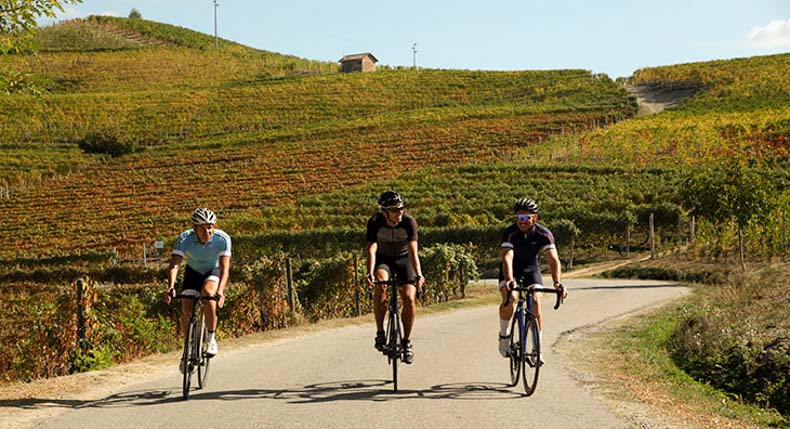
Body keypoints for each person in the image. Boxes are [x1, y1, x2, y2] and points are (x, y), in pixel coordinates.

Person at [497, 198, 568, 360]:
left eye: (525, 218)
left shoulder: (544, 234)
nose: (521, 222)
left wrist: (557, 282)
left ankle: (537, 348)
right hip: (510, 270)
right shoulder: (510, 232)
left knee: (536, 301)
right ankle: (504, 336)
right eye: (518, 218)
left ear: (535, 217)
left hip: (531, 269)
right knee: (510, 297)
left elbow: (553, 259)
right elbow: (507, 257)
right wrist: (509, 279)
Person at [165, 208, 231, 371]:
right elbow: (174, 265)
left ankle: (211, 338)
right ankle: (189, 349)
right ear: (194, 229)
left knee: (208, 294)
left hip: (213, 271)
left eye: (210, 227)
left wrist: (221, 291)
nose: (207, 231)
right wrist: (171, 287)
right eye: (203, 227)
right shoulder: (184, 239)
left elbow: (224, 269)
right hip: (193, 273)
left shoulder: (222, 239)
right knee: (186, 305)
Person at [365, 191, 426, 364]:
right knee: (380, 283)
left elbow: (413, 252)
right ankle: (380, 333)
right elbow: (371, 249)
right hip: (383, 259)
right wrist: (369, 272)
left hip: (403, 259)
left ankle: (406, 342)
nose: (399, 213)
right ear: (384, 212)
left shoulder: (408, 222)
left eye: (401, 209)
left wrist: (419, 274)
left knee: (408, 297)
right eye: (395, 210)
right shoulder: (375, 222)